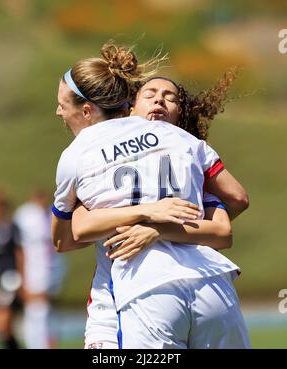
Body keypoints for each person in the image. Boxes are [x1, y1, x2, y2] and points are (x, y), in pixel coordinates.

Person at [51, 43, 250, 348]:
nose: (58, 111)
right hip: (213, 281)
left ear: (87, 110)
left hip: (144, 290)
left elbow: (68, 236)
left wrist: (146, 221)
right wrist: (162, 220)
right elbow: (236, 201)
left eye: (62, 104)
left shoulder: (78, 155)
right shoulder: (182, 138)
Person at [13, 190, 66, 349]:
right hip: (33, 271)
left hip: (51, 271)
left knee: (46, 310)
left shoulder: (51, 214)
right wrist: (21, 277)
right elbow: (19, 249)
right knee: (36, 310)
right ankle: (37, 344)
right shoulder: (25, 216)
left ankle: (46, 342)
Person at [0, 188, 23, 349]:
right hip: (0, 279)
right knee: (0, 323)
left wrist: (23, 278)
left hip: (10, 279)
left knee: (2, 321)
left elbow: (20, 253)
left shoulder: (11, 227)